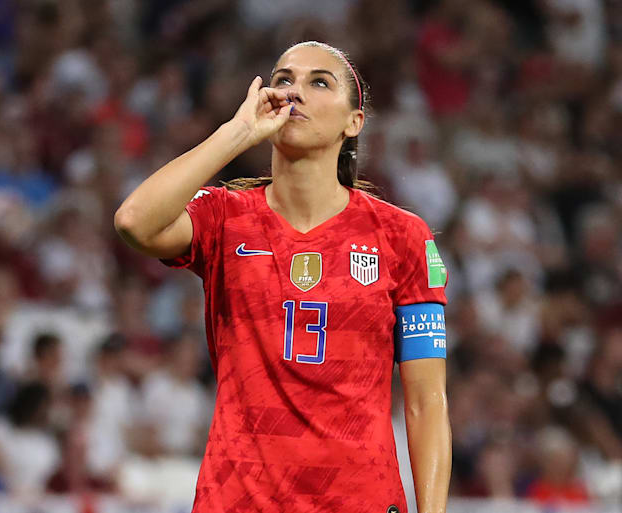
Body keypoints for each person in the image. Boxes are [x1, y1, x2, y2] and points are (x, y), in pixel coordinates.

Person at [115, 41, 451, 513]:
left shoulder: (402, 237)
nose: (295, 92)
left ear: (353, 123)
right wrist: (236, 132)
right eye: (283, 79)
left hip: (358, 500)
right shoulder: (224, 217)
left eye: (319, 82)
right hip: (239, 500)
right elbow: (135, 222)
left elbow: (426, 402)